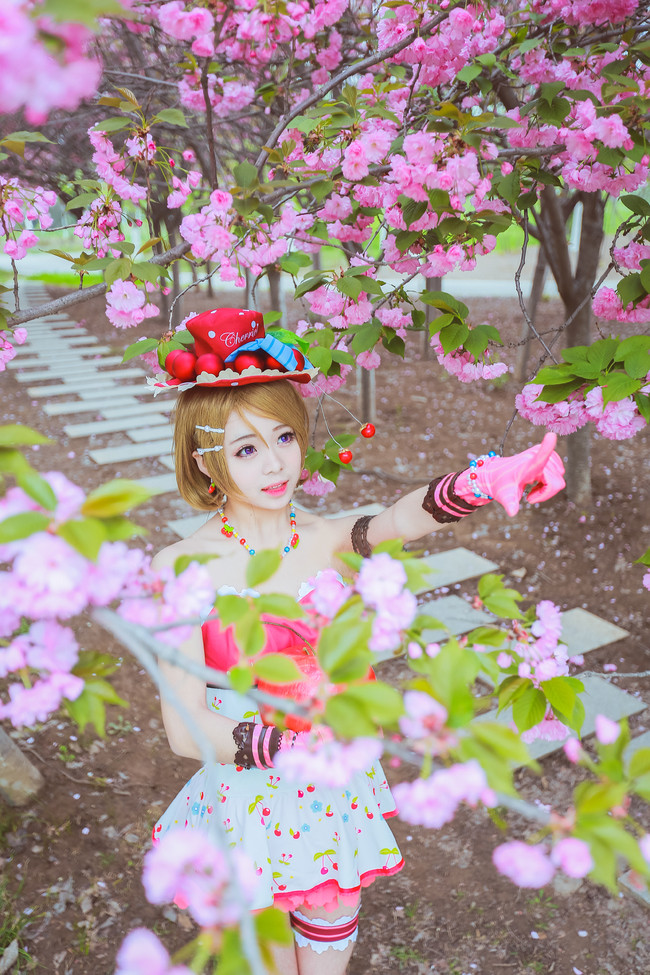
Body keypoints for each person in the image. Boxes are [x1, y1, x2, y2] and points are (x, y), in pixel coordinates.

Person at [151, 307, 565, 975]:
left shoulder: (327, 540)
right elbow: (183, 726)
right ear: (206, 461)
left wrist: (481, 481)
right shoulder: (180, 566)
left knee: (327, 954)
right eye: (246, 448)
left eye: (285, 435)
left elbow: (400, 518)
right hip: (247, 803)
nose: (275, 462)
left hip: (331, 801)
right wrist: (290, 747)